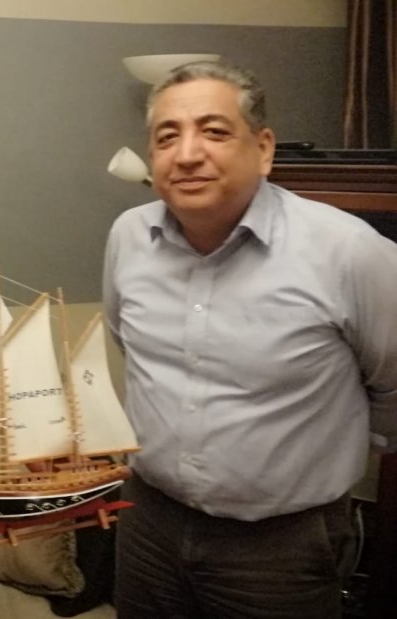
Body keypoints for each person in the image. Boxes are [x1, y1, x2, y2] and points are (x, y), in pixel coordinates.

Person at [103, 60, 397, 618]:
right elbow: (130, 347)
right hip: (147, 522)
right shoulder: (128, 237)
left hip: (279, 547)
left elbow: (392, 386)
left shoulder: (350, 253)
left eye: (214, 132)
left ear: (263, 149)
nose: (187, 154)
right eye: (167, 137)